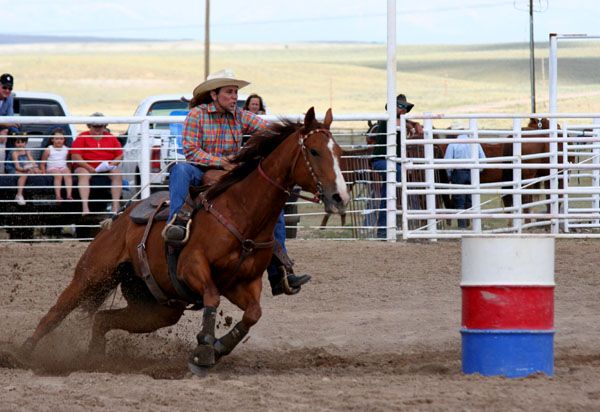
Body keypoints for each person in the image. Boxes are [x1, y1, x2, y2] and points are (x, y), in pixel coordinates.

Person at [162, 68, 310, 296]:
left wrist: (298, 130)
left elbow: (268, 129)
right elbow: (191, 151)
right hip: (201, 168)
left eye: (235, 93)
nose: (235, 97)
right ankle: (177, 223)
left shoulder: (239, 116)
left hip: (230, 172)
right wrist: (221, 162)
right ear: (214, 95)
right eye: (229, 92)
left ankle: (280, 271)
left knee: (272, 209)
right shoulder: (197, 115)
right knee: (180, 170)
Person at [369, 94, 422, 238]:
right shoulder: (388, 120)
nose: (403, 110)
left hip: (390, 161)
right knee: (397, 175)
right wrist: (412, 125)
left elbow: (403, 123)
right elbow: (401, 123)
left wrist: (412, 124)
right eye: (401, 106)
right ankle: (401, 213)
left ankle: (383, 229)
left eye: (405, 107)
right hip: (382, 160)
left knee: (388, 194)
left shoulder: (398, 121)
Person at [70, 113, 123, 214]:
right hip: (85, 166)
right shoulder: (82, 137)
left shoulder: (111, 137)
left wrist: (112, 164)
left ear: (105, 126)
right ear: (89, 126)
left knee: (117, 173)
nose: (98, 128)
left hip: (106, 167)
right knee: (83, 174)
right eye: (95, 126)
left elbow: (120, 155)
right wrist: (88, 167)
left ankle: (115, 206)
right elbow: (75, 156)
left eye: (101, 126)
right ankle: (85, 206)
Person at [444, 122, 486, 229]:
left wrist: (449, 174)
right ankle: (473, 225)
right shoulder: (475, 142)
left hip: (458, 173)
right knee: (471, 199)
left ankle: (462, 226)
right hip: (473, 172)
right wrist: (478, 170)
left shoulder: (452, 144)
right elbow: (483, 160)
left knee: (459, 200)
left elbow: (447, 162)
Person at [41, 127, 73, 202]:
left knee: (68, 174)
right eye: (57, 139)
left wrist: (70, 170)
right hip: (52, 169)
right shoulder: (48, 149)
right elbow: (42, 163)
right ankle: (58, 196)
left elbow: (68, 162)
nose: (59, 141)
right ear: (52, 139)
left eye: (61, 139)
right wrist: (43, 172)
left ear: (64, 139)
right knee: (58, 174)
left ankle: (69, 195)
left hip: (63, 167)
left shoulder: (66, 149)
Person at [8, 134, 41, 205]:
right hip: (13, 168)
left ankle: (36, 194)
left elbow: (32, 161)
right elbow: (17, 166)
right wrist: (25, 169)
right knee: (24, 175)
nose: (20, 144)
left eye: (23, 142)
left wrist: (35, 167)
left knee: (35, 171)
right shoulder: (14, 152)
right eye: (18, 142)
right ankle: (19, 195)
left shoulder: (26, 151)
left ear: (26, 142)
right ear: (14, 143)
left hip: (24, 167)